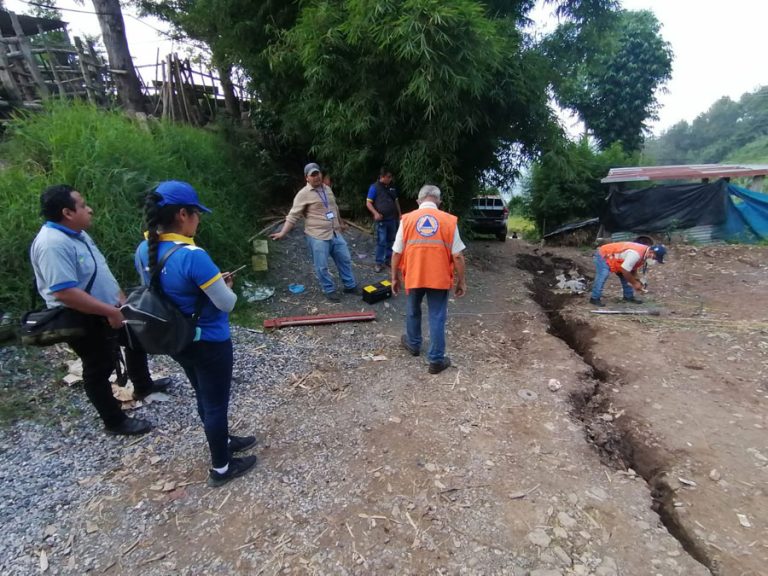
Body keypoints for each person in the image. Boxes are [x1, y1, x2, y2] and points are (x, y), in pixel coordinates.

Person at [135, 181, 257, 487]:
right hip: (210, 341)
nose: (198, 220)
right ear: (182, 214)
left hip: (178, 339)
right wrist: (224, 285)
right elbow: (227, 304)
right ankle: (221, 468)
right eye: (196, 214)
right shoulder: (193, 256)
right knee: (215, 403)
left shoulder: (144, 249)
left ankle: (224, 440)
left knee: (203, 394)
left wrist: (209, 284)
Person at [30, 184, 170, 436]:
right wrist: (108, 310)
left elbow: (98, 271)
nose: (89, 209)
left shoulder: (78, 233)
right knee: (98, 365)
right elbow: (65, 292)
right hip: (83, 317)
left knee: (134, 341)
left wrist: (119, 298)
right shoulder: (52, 244)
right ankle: (114, 420)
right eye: (83, 205)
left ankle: (143, 385)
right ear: (67, 212)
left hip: (108, 307)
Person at [391, 185, 467, 374]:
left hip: (414, 275)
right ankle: (435, 361)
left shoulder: (407, 219)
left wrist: (394, 277)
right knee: (437, 316)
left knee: (412, 310)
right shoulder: (448, 221)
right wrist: (461, 280)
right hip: (438, 278)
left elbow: (396, 252)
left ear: (418, 201)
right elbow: (457, 255)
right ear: (438, 201)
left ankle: (414, 344)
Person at [270, 162, 358, 302]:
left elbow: (334, 207)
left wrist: (340, 223)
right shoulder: (303, 194)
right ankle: (329, 289)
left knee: (345, 259)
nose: (316, 177)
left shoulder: (327, 189)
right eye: (313, 175)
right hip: (317, 236)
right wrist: (282, 233)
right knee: (322, 266)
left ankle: (350, 285)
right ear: (307, 178)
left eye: (318, 173)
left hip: (335, 233)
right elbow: (293, 216)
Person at [590, 241, 667, 306]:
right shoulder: (635, 254)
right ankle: (594, 298)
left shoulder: (644, 253)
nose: (654, 260)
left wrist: (637, 280)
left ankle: (628, 296)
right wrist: (635, 283)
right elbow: (625, 270)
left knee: (627, 277)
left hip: (617, 259)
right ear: (651, 252)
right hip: (605, 254)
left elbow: (632, 268)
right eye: (654, 258)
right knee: (603, 274)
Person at [365, 167, 401, 273]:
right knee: (381, 241)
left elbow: (396, 201)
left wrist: (399, 214)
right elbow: (368, 203)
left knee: (391, 240)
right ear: (382, 177)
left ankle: (388, 260)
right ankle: (378, 263)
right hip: (382, 220)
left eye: (391, 177)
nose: (390, 179)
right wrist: (375, 213)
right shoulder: (374, 187)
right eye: (388, 177)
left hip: (392, 219)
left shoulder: (392, 187)